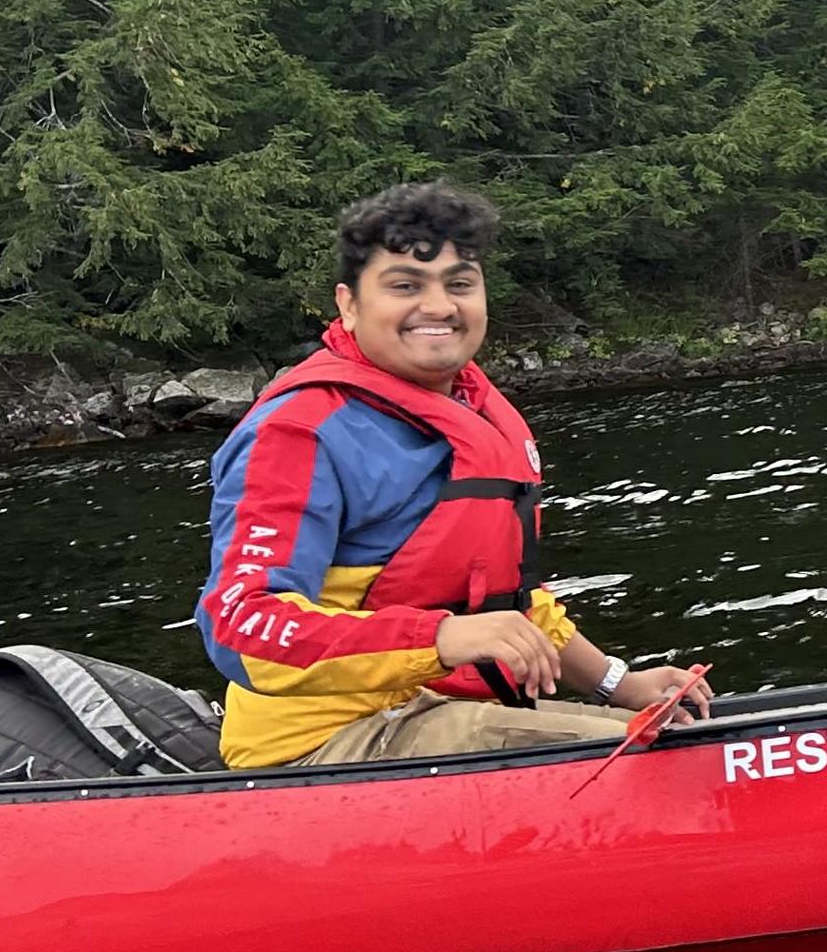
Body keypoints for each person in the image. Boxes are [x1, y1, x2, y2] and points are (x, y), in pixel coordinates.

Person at [198, 181, 712, 769]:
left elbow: (507, 604)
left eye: (460, 284)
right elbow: (243, 626)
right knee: (667, 767)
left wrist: (617, 683)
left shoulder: (471, 408)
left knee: (665, 736)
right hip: (321, 747)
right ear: (348, 304)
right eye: (405, 286)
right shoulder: (301, 432)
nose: (440, 306)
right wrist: (441, 639)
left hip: (433, 713)